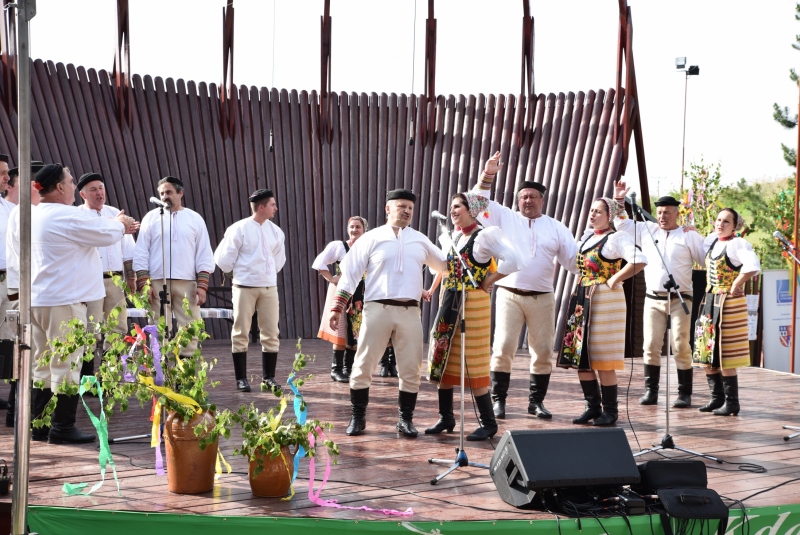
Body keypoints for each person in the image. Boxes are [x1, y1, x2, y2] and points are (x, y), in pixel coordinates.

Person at [30, 164, 138, 444]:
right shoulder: (64, 214)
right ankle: (62, 427)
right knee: (67, 364)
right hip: (64, 301)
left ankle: (39, 424)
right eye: (69, 181)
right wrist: (121, 224)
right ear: (60, 188)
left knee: (43, 364)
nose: (71, 185)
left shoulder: (36, 213)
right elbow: (104, 235)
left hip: (41, 299)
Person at [330, 189, 446, 438]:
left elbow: (445, 266)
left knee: (411, 368)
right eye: (402, 206)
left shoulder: (420, 240)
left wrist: (432, 287)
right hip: (376, 309)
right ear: (388, 208)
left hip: (409, 311)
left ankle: (405, 420)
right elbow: (349, 274)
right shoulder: (371, 238)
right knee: (363, 365)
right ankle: (358, 418)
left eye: (410, 208)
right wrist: (337, 308)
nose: (406, 211)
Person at [470, 151, 578, 420]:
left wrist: (596, 277)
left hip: (542, 297)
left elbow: (574, 260)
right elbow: (475, 203)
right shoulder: (505, 217)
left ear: (542, 200)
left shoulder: (556, 227)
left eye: (532, 197)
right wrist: (488, 174)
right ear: (517, 200)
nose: (527, 201)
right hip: (508, 293)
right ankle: (499, 401)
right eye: (523, 197)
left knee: (542, 351)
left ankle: (536, 403)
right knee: (503, 347)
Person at [423, 192, 522, 440]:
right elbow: (447, 269)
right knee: (442, 355)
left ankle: (489, 423)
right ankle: (446, 417)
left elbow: (514, 259)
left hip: (473, 305)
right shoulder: (455, 236)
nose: (453, 210)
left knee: (474, 361)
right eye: (451, 206)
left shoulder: (484, 236)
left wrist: (490, 279)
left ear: (472, 210)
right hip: (450, 300)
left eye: (458, 206)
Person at [613, 181, 707, 408]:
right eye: (660, 212)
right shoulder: (647, 229)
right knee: (651, 344)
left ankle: (684, 393)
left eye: (667, 212)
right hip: (653, 298)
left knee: (680, 344)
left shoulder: (687, 235)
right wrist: (618, 201)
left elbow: (705, 260)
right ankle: (651, 391)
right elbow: (621, 225)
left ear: (677, 214)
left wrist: (701, 234)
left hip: (680, 298)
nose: (663, 216)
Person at [558, 197, 646, 426]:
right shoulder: (587, 237)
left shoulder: (616, 238)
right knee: (582, 355)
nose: (593, 214)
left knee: (602, 357)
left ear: (609, 216)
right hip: (582, 297)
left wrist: (615, 278)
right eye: (592, 210)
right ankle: (592, 407)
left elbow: (639, 260)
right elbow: (574, 265)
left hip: (606, 299)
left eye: (598, 211)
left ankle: (611, 411)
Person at [214, 189, 286, 392]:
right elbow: (222, 259)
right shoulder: (239, 229)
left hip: (269, 287)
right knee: (240, 331)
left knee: (271, 332)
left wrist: (266, 274)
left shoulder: (276, 231)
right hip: (244, 287)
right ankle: (241, 379)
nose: (276, 208)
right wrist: (240, 274)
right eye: (272, 204)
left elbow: (278, 261)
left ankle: (269, 377)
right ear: (261, 207)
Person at [133, 176, 214, 355]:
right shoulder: (151, 218)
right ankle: (161, 373)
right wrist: (144, 283)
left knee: (190, 328)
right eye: (161, 193)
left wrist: (202, 286)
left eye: (169, 192)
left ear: (180, 193)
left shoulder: (195, 218)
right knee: (158, 329)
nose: (164, 197)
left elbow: (204, 253)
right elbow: (140, 252)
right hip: (156, 282)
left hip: (187, 283)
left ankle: (184, 374)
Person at [693, 208, 760, 416]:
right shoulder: (713, 241)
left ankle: (732, 402)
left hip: (728, 302)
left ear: (735, 225)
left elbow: (752, 265)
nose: (720, 224)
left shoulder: (737, 244)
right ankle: (716, 398)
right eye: (719, 220)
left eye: (726, 221)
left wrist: (737, 283)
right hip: (710, 299)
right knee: (706, 349)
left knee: (725, 353)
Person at [78, 173, 137, 361]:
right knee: (91, 328)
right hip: (90, 279)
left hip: (116, 280)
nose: (99, 193)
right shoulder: (78, 215)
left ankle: (108, 378)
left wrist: (132, 277)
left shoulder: (115, 213)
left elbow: (128, 248)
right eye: (93, 190)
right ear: (82, 194)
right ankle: (86, 380)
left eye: (101, 188)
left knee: (118, 328)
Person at [4, 161, 44, 428]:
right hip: (29, 290)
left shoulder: (26, 211)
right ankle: (19, 414)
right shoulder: (25, 213)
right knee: (27, 352)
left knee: (27, 352)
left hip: (28, 288)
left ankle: (15, 413)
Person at [312, 216, 368, 382]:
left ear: (364, 230)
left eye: (358, 227)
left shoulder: (366, 248)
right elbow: (319, 262)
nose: (354, 230)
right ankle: (336, 370)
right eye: (351, 227)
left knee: (355, 330)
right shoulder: (339, 246)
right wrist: (332, 278)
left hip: (359, 293)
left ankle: (348, 369)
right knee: (342, 329)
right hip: (341, 291)